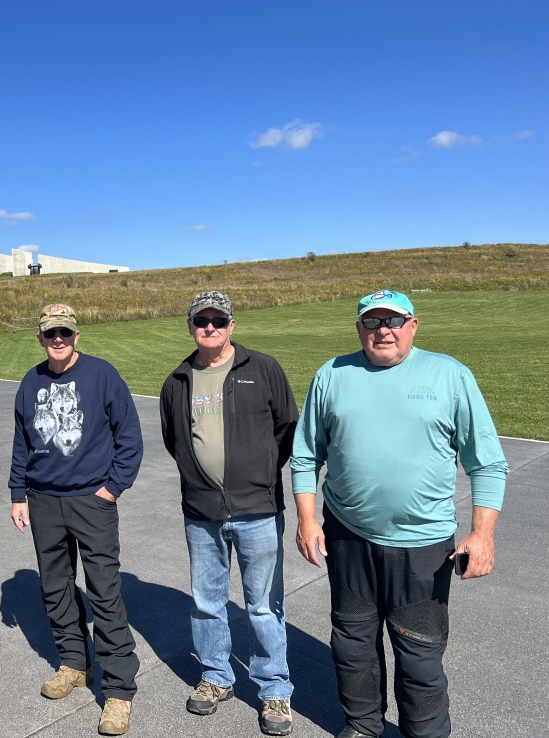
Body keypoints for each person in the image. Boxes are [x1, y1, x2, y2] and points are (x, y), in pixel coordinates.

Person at [291, 290, 508, 738]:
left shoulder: (449, 375)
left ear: (413, 326)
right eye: (371, 322)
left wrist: (482, 533)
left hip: (423, 546)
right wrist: (307, 519)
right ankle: (362, 725)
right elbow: (306, 455)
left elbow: (486, 462)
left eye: (393, 320)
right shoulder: (332, 374)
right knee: (352, 646)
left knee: (420, 655)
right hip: (348, 537)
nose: (383, 330)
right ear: (359, 329)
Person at [159, 290, 298, 737]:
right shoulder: (177, 380)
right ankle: (216, 676)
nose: (210, 327)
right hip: (202, 511)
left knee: (264, 605)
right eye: (202, 321)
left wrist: (259, 473)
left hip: (258, 508)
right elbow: (173, 439)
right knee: (206, 602)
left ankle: (274, 688)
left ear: (232, 325)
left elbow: (287, 427)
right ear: (191, 327)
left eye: (219, 320)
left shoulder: (263, 368)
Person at [9, 303, 142, 736]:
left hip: (91, 499)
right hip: (43, 500)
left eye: (65, 332)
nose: (58, 339)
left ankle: (118, 690)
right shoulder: (31, 381)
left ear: (76, 335)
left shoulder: (102, 374)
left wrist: (112, 489)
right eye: (50, 333)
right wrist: (17, 494)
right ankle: (73, 663)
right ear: (40, 338)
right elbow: (21, 442)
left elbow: (129, 436)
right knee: (55, 587)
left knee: (104, 590)